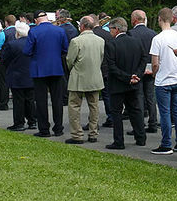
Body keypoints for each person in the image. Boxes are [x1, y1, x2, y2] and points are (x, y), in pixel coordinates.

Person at [23, 11, 69, 138]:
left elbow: (27, 51)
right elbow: (65, 48)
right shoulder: (59, 31)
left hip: (39, 69)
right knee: (57, 100)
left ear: (37, 20)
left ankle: (44, 129)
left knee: (41, 101)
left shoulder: (34, 31)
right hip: (56, 68)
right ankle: (58, 128)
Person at [104, 17, 146, 149]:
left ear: (116, 29)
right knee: (135, 110)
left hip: (118, 84)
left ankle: (119, 141)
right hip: (134, 83)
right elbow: (144, 59)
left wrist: (128, 77)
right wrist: (137, 75)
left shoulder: (111, 44)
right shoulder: (136, 42)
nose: (109, 32)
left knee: (116, 113)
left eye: (110, 29)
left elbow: (112, 66)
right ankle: (141, 137)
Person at [150, 7, 177, 155]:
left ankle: (166, 144)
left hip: (163, 81)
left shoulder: (157, 39)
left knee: (165, 113)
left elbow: (155, 63)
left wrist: (154, 73)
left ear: (159, 19)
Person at [65, 16, 105, 144]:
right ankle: (93, 133)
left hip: (78, 78)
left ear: (82, 26)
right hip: (95, 77)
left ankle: (77, 134)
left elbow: (69, 60)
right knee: (94, 106)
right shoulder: (100, 41)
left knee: (74, 107)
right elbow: (101, 58)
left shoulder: (76, 41)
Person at [2, 22, 37, 130]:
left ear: (17, 32)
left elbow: (4, 59)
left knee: (18, 100)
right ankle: (32, 121)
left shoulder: (12, 44)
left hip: (16, 75)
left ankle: (19, 123)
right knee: (30, 99)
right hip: (31, 74)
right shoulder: (34, 44)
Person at [128, 9, 157, 134]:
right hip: (150, 67)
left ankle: (139, 125)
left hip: (137, 68)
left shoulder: (131, 34)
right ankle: (153, 122)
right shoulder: (153, 33)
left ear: (134, 20)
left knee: (138, 97)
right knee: (150, 97)